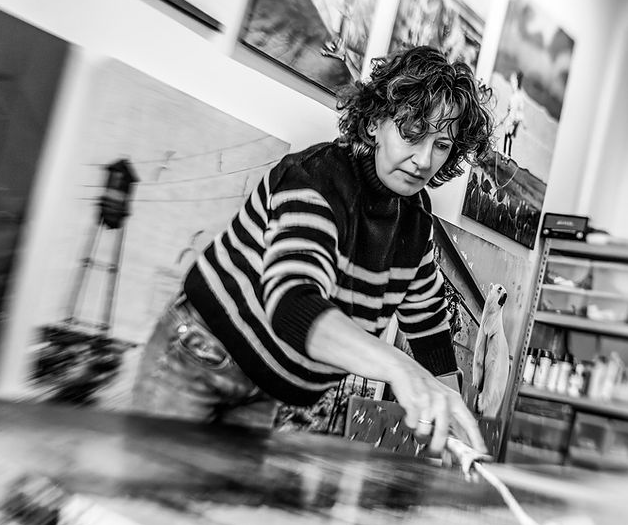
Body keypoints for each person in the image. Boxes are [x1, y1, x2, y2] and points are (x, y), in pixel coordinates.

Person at [132, 45, 493, 457]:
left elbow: (427, 324)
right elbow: (293, 305)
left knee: (215, 494)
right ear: (375, 122)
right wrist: (401, 369)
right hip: (201, 356)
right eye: (412, 131)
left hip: (265, 387)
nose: (424, 160)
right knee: (149, 484)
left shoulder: (415, 220)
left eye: (442, 144)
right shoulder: (315, 180)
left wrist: (452, 409)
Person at [501, 70, 525, 157]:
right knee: (507, 135)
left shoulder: (519, 96)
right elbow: (509, 110)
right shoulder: (513, 96)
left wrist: (518, 122)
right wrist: (503, 119)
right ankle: (505, 153)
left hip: (514, 119)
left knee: (509, 136)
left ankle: (508, 154)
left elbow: (519, 110)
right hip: (510, 118)